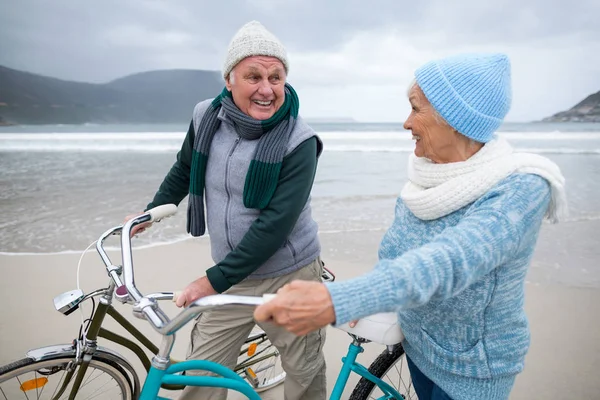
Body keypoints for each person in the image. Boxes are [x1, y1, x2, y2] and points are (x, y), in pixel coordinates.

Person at [254, 53, 567, 400]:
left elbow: (451, 260)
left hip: (472, 369)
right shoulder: (425, 175)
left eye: (416, 108)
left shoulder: (520, 188)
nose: (406, 123)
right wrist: (371, 299)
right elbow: (397, 252)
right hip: (416, 344)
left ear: (454, 117)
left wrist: (346, 297)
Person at [133, 21, 327, 400]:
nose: (267, 89)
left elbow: (274, 226)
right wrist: (151, 211)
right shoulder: (206, 116)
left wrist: (210, 281)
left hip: (290, 275)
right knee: (201, 375)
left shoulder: (300, 142)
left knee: (303, 373)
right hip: (233, 273)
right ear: (229, 80)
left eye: (276, 77)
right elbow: (186, 166)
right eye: (254, 76)